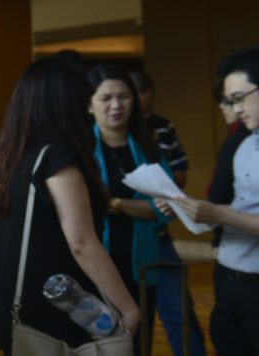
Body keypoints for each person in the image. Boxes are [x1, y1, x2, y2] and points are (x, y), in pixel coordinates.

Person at [0, 58, 141, 351]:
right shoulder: (56, 158)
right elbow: (81, 242)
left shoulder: (13, 155)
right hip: (57, 305)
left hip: (16, 304)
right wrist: (129, 309)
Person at [176, 47, 259, 356]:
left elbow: (229, 213)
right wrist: (191, 209)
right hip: (228, 276)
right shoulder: (245, 144)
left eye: (239, 98)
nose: (235, 110)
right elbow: (240, 207)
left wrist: (220, 215)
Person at [86, 65, 172, 354]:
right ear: (89, 104)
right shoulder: (81, 150)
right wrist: (140, 207)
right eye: (105, 98)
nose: (116, 105)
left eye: (123, 96)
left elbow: (166, 209)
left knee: (138, 344)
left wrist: (116, 204)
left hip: (140, 265)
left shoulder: (148, 149)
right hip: (94, 267)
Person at [128, 70, 207, 356]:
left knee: (179, 312)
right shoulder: (97, 138)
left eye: (147, 109)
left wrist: (161, 187)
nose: (142, 116)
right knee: (128, 319)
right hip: (118, 237)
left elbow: (180, 171)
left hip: (157, 234)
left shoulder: (160, 127)